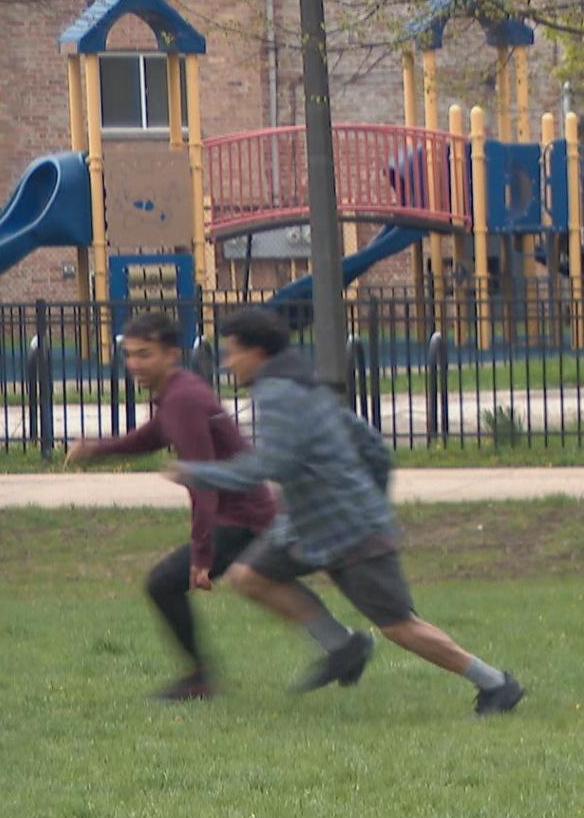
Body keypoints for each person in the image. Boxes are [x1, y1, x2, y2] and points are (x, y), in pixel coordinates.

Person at [164, 307, 524, 716]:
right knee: (249, 575)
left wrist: (198, 473)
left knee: (399, 626)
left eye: (232, 354)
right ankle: (343, 645)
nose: (227, 364)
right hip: (310, 527)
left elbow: (272, 464)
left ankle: (496, 684)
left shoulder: (278, 393)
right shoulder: (304, 383)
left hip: (349, 531)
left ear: (258, 352)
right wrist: (373, 499)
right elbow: (373, 446)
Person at [66, 311, 276, 701]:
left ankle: (199, 680)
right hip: (249, 513)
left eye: (145, 354)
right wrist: (95, 449)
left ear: (171, 354)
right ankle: (343, 644)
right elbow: (151, 436)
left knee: (163, 583)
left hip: (242, 517)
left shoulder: (183, 399)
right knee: (281, 586)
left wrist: (201, 554)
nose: (134, 365)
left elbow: (203, 480)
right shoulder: (177, 393)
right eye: (129, 355)